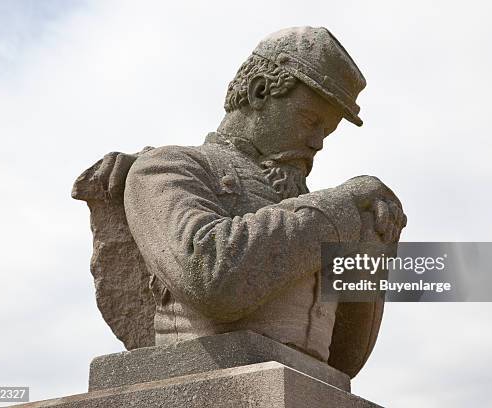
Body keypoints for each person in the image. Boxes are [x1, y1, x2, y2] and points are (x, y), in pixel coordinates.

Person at [74, 26, 406, 378]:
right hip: (207, 380)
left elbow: (341, 360)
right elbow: (212, 279)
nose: (317, 142)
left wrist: (371, 249)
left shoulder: (318, 210)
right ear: (259, 91)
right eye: (311, 121)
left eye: (327, 132)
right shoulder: (165, 167)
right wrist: (343, 206)